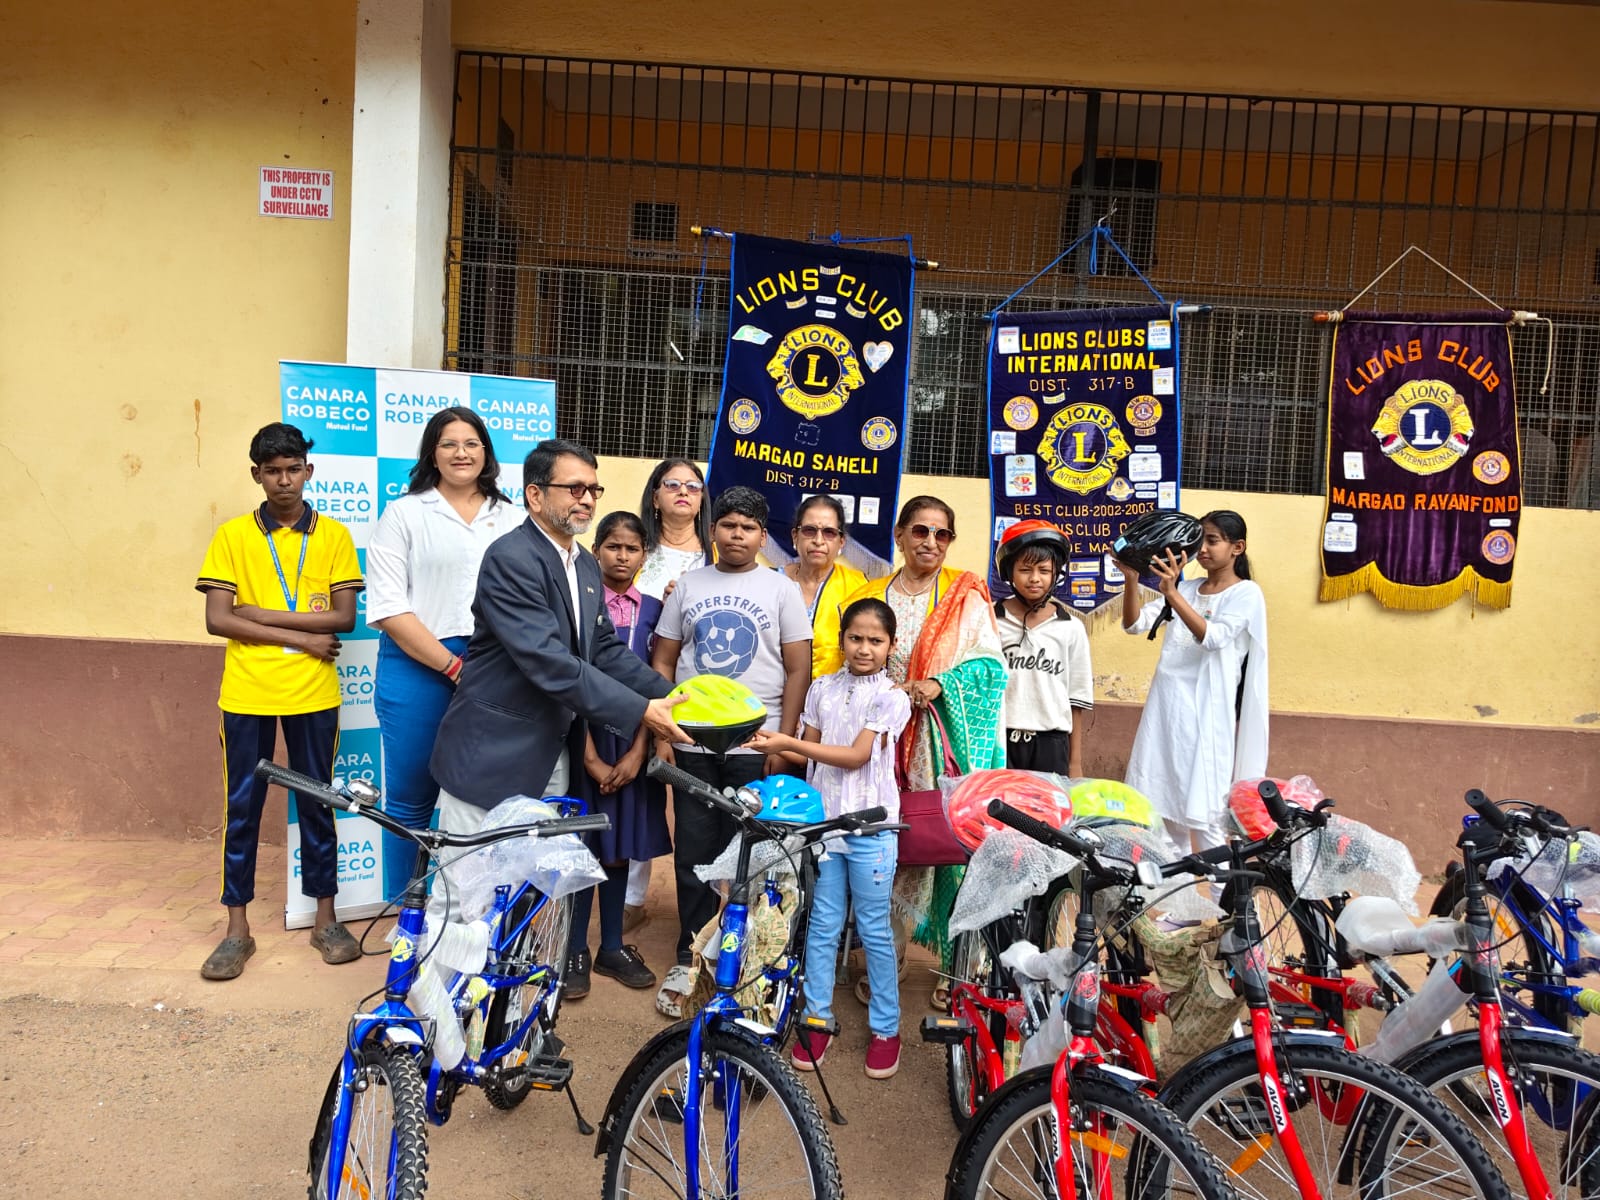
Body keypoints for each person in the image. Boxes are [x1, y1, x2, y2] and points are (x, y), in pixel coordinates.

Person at [427, 440, 691, 979]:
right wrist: (643, 710)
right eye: (574, 488)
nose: (587, 499)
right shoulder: (511, 558)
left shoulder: (584, 565)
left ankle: (508, 1024)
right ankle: (429, 1028)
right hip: (491, 762)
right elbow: (548, 662)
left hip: (552, 762)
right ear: (534, 494)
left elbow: (606, 650)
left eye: (593, 488)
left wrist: (672, 696)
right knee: (463, 901)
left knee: (531, 899)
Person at [194, 422, 364, 980]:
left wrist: (259, 614)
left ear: (308, 472)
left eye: (293, 469)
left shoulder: (333, 535)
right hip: (246, 693)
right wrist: (302, 636)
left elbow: (343, 617)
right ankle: (236, 930)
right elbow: (218, 619)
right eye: (272, 472)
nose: (284, 480)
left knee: (317, 801)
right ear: (257, 476)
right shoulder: (232, 536)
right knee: (240, 807)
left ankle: (326, 920)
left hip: (312, 694)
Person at [649, 485, 812, 1017]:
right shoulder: (688, 586)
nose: (737, 535)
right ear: (712, 529)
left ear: (763, 536)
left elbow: (797, 668)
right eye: (728, 525)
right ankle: (690, 955)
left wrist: (782, 741)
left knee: (752, 849)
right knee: (694, 846)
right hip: (693, 735)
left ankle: (742, 959)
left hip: (754, 741)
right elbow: (664, 660)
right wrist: (664, 730)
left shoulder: (782, 590)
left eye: (748, 528)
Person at [843, 496, 1008, 1011]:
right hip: (880, 747)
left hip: (942, 746)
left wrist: (941, 684)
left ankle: (954, 970)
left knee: (950, 852)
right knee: (886, 856)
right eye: (920, 531)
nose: (930, 543)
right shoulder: (873, 594)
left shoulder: (966, 595)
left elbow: (991, 669)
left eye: (942, 534)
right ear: (899, 534)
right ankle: (883, 961)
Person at [751, 597, 912, 1080]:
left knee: (874, 930)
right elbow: (811, 757)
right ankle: (816, 1016)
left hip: (871, 828)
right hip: (825, 828)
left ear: (891, 645)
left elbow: (856, 756)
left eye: (875, 640)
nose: (864, 648)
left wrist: (786, 741)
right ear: (841, 640)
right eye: (855, 638)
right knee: (822, 924)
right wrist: (764, 745)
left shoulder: (893, 697)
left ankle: (886, 1028)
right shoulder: (822, 688)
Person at [366, 407, 521, 901]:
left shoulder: (513, 518)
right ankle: (405, 915)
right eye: (449, 443)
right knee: (411, 802)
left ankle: (469, 916)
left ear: (486, 453)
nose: (461, 452)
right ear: (432, 452)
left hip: (497, 670)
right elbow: (389, 607)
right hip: (418, 668)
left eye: (472, 443)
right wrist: (452, 666)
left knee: (486, 801)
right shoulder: (405, 513)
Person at [1117, 509, 1269, 852]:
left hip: (1206, 714)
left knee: (1207, 821)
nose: (1203, 549)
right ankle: (1182, 902)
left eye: (1213, 541)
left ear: (1237, 547)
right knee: (1166, 818)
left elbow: (1213, 638)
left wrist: (1172, 594)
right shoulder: (1187, 587)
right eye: (1201, 540)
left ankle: (1231, 905)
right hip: (1167, 710)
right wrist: (1131, 579)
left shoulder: (1245, 594)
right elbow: (1134, 624)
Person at [566, 511, 670, 996]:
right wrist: (589, 756)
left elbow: (655, 686)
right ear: (596, 550)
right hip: (582, 740)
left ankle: (610, 947)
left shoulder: (654, 610)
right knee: (580, 848)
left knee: (618, 850)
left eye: (632, 548)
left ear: (644, 555)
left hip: (633, 744)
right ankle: (572, 952)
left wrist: (637, 753)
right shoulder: (578, 605)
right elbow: (568, 683)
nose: (622, 556)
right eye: (613, 546)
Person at [627, 458, 713, 930]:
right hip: (630, 679)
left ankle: (706, 912)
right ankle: (633, 897)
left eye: (693, 486)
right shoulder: (636, 548)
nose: (683, 492)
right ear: (655, 495)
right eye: (672, 485)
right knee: (640, 791)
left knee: (693, 800)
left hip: (692, 692)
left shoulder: (716, 558)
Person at [993, 521, 1093, 777]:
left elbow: (1076, 700)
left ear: (1056, 573)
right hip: (999, 740)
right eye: (1025, 569)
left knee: (1046, 815)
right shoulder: (991, 619)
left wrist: (1075, 763)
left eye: (1044, 570)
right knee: (999, 812)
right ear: (1009, 573)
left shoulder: (1071, 628)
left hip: (1052, 743)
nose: (1035, 578)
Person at [781, 494, 866, 680]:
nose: (818, 540)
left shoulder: (859, 587)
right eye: (810, 530)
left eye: (829, 532)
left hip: (834, 701)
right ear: (795, 536)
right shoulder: (772, 582)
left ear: (841, 541)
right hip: (773, 696)